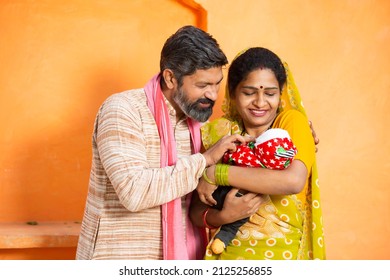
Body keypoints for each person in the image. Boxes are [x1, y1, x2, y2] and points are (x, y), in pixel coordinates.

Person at [75, 25, 261, 260]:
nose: (213, 95)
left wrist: (293, 133)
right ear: (171, 78)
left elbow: (246, 154)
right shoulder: (124, 110)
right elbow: (134, 192)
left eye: (217, 84)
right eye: (203, 85)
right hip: (119, 257)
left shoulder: (200, 124)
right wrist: (204, 161)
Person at [190, 47, 326, 260]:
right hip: (227, 258)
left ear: (280, 93)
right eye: (249, 93)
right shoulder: (220, 133)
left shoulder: (291, 123)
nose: (261, 102)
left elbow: (293, 181)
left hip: (284, 257)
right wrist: (224, 216)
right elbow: (197, 213)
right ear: (233, 93)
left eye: (270, 93)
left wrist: (217, 173)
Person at [207, 127, 297, 254]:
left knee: (236, 220)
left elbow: (295, 183)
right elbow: (195, 214)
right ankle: (223, 237)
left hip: (244, 204)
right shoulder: (222, 128)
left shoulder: (293, 121)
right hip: (226, 198)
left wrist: (214, 173)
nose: (259, 105)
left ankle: (222, 238)